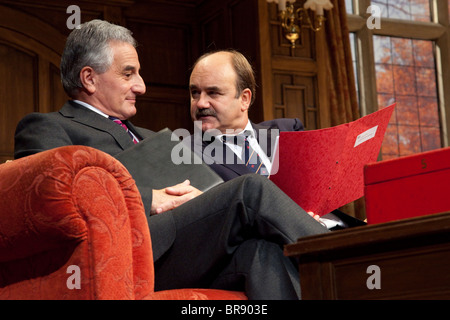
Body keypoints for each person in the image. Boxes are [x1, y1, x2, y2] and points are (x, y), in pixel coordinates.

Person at [14, 19, 328, 300]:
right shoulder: (48, 126)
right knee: (250, 190)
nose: (141, 86)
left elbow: (208, 199)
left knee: (262, 253)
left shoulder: (155, 136)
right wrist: (151, 199)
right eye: (128, 74)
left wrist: (203, 197)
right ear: (90, 79)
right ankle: (347, 257)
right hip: (134, 251)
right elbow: (48, 197)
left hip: (186, 247)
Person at [188, 49, 366, 229]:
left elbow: (320, 192)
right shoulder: (187, 153)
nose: (201, 103)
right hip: (283, 247)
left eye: (213, 93)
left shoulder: (288, 130)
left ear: (244, 99)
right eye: (195, 93)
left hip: (342, 231)